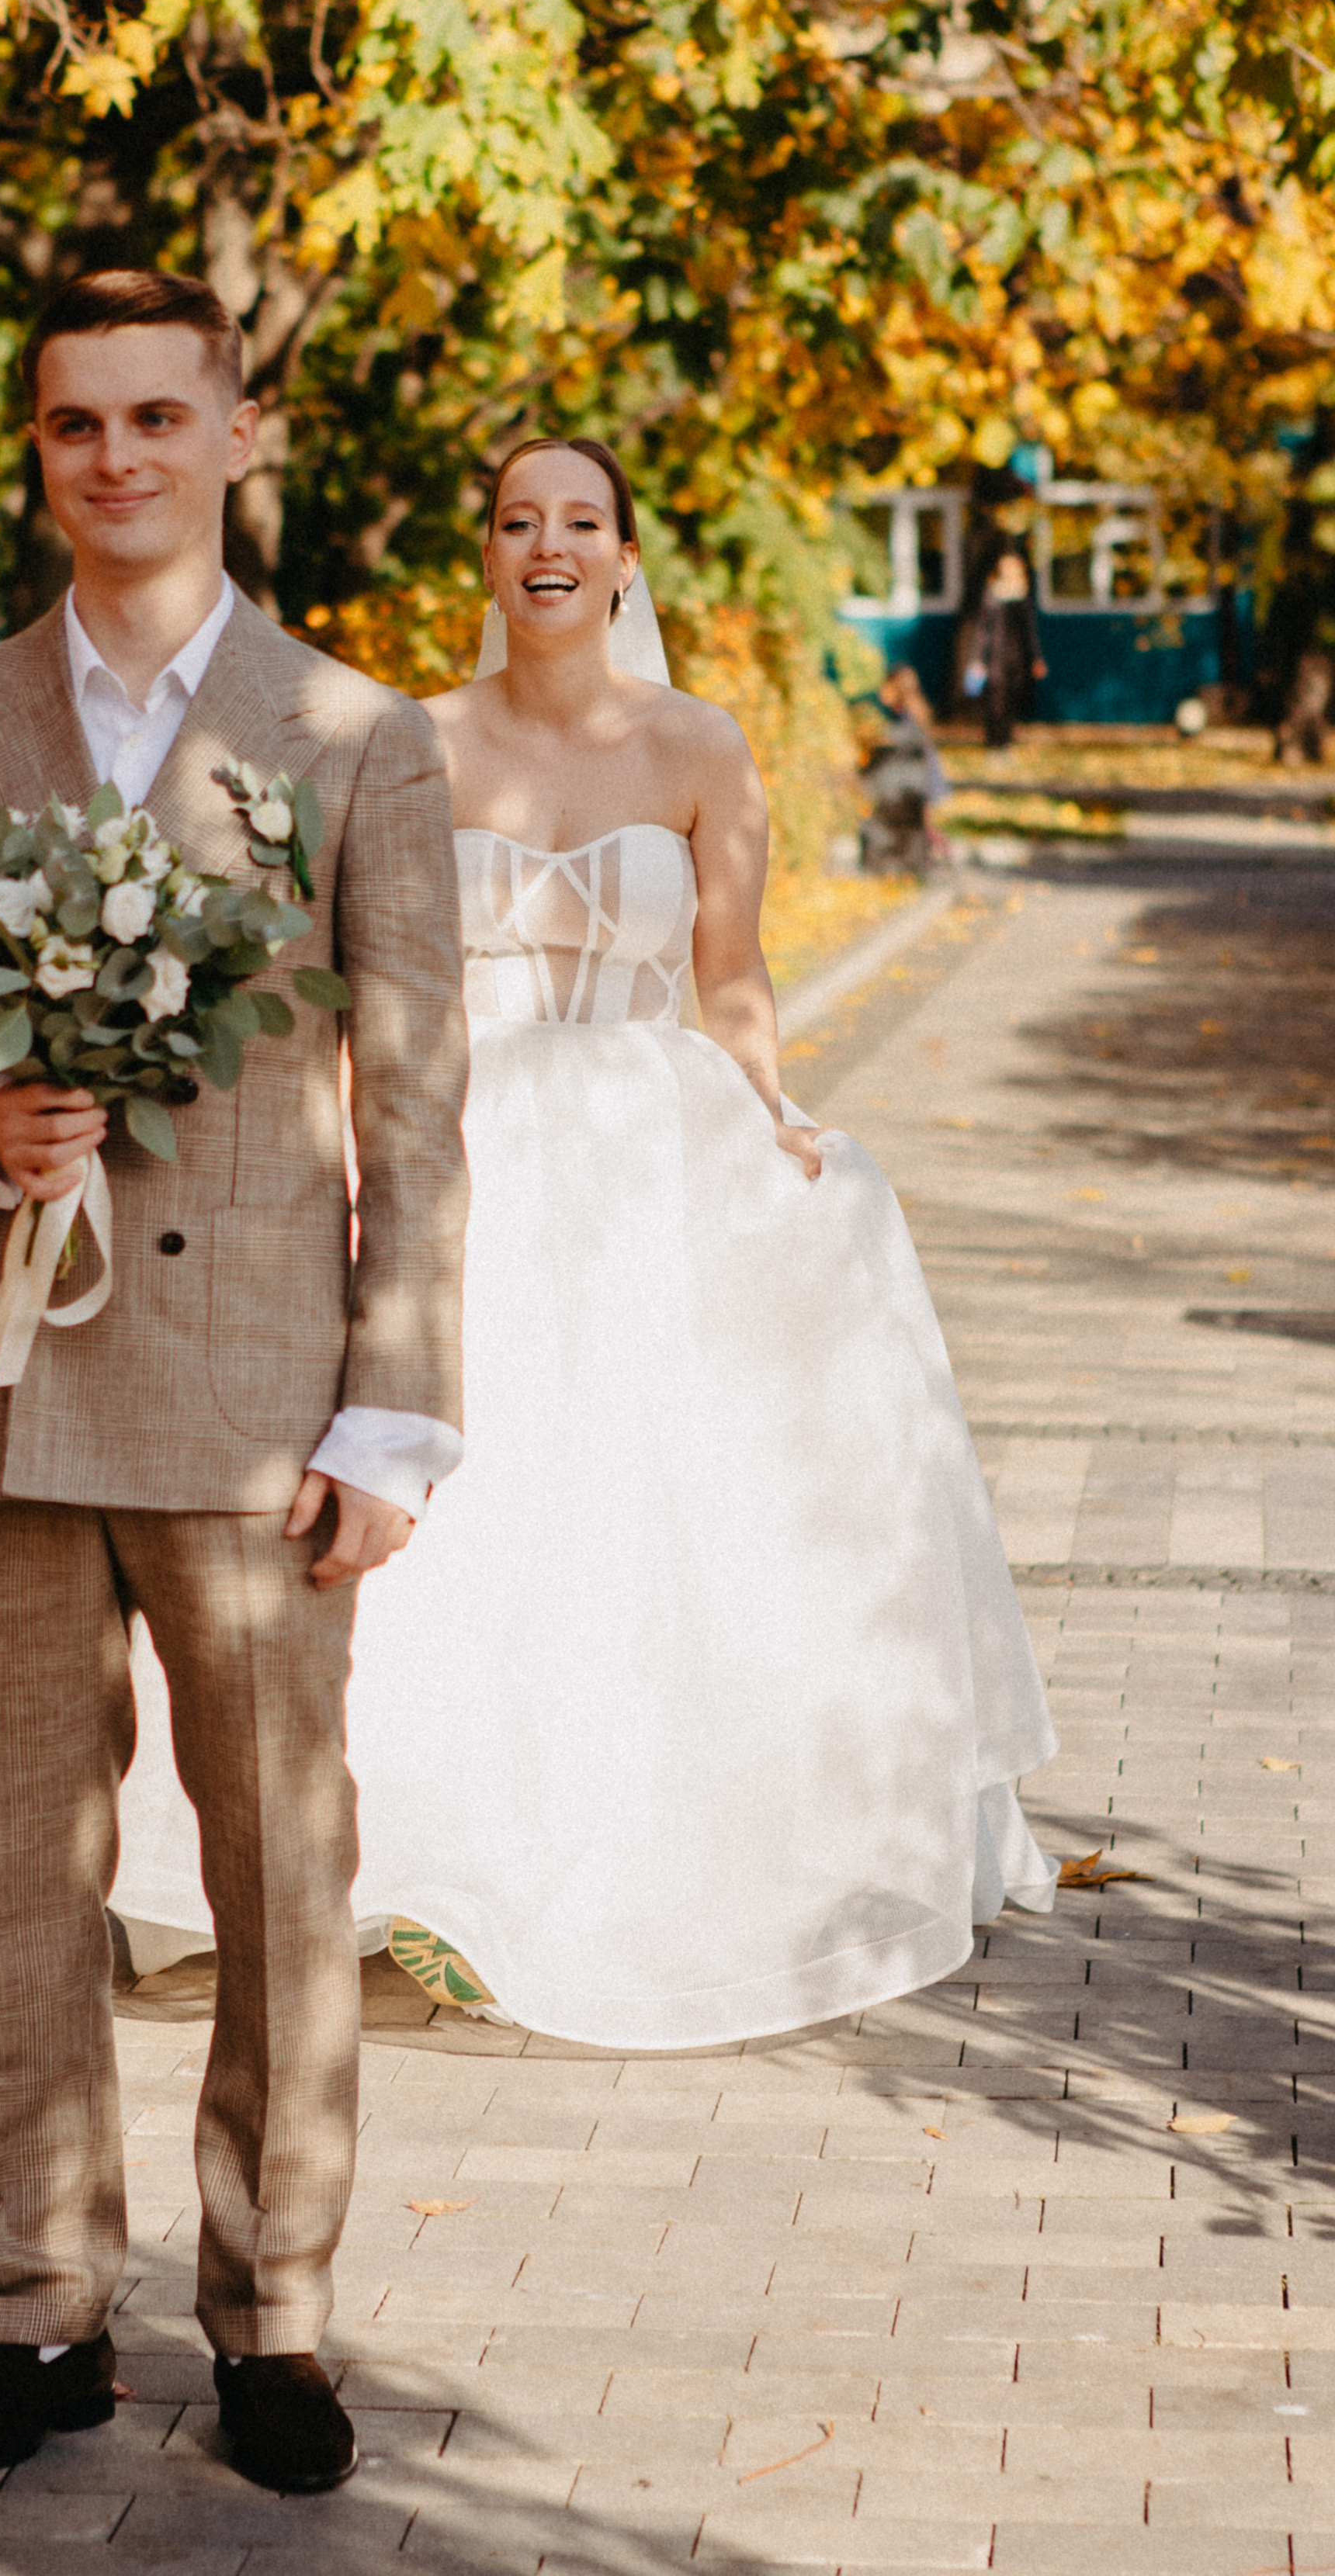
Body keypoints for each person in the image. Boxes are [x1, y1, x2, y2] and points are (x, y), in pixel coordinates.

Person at [113, 435, 1057, 2051]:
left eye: (578, 522)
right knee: (458, 1482)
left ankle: (635, 1834)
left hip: (643, 1145)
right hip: (460, 1141)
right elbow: (358, 976)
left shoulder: (697, 745)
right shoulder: (405, 740)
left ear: (624, 558)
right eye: (513, 521)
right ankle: (401, 1862)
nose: (545, 546)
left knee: (641, 1487)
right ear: (485, 558)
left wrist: (772, 1110)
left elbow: (732, 974)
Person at [0, 270, 469, 2496]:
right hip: (6, 1387)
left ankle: (273, 2317)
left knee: (284, 1871)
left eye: (158, 419)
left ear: (233, 435)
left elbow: (423, 1101)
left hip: (260, 1398)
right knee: (17, 1875)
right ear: (38, 451)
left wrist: (400, 1405)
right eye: (77, 426)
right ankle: (43, 2314)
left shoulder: (357, 733)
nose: (118, 460)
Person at [861, 661, 949, 871]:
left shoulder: (907, 719)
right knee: (924, 826)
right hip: (921, 779)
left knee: (923, 827)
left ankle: (932, 857)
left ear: (895, 687)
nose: (882, 690)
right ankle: (930, 856)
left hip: (917, 780)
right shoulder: (909, 713)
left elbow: (910, 748)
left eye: (886, 685)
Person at [963, 549, 1046, 750]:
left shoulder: (1022, 597)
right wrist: (977, 659)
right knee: (995, 702)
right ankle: (994, 742)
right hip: (994, 658)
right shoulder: (992, 596)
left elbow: (1029, 631)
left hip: (1016, 659)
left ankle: (1006, 742)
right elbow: (983, 630)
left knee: (1013, 700)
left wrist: (1036, 658)